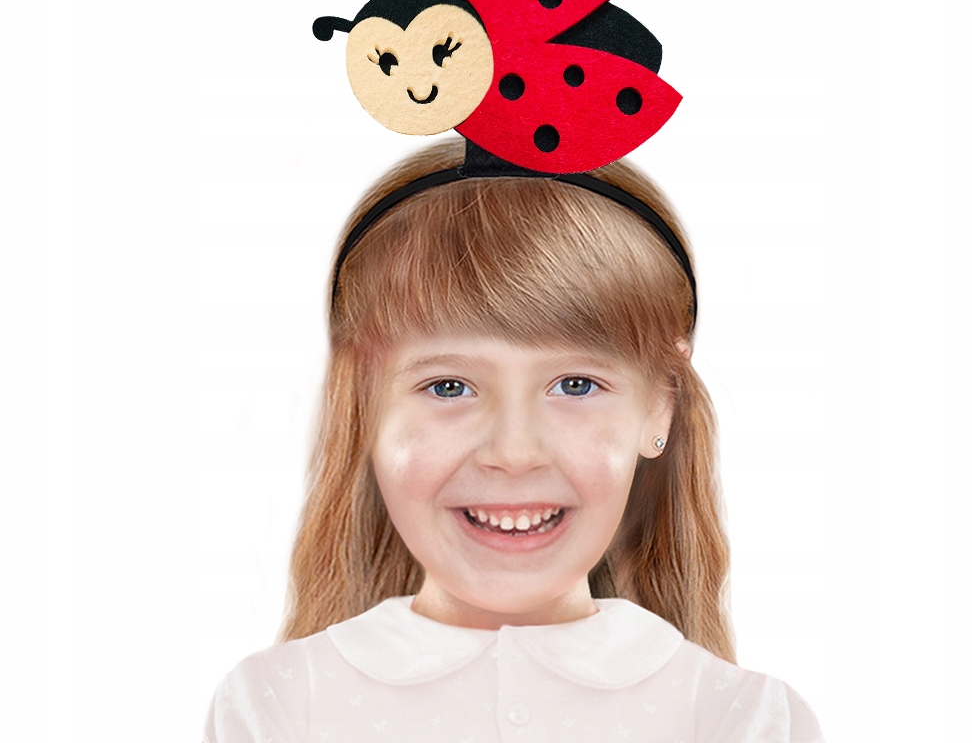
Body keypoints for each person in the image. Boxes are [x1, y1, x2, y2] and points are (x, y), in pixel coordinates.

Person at [202, 136, 825, 742]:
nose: (514, 453)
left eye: (576, 385)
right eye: (449, 387)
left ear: (660, 406)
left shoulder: (746, 721)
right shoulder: (278, 705)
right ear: (361, 405)